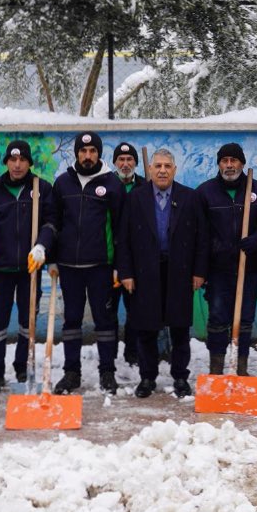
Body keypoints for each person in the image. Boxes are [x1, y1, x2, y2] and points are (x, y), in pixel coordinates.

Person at [116, 148, 208, 398]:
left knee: (179, 328)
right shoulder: (136, 198)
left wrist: (199, 271)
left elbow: (201, 238)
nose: (163, 170)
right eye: (158, 166)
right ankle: (147, 377)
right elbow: (122, 239)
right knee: (146, 328)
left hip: (180, 271)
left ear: (175, 169)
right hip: (145, 272)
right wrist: (126, 272)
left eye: (167, 166)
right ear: (150, 169)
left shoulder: (189, 197)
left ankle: (180, 376)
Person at [0, 140, 57, 395]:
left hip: (30, 270)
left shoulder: (41, 189)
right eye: (13, 160)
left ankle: (23, 366)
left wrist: (42, 246)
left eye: (23, 160)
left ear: (30, 163)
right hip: (0, 271)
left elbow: (52, 223)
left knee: (27, 321)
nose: (18, 164)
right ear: (6, 162)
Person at [49, 132, 124, 395]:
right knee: (71, 320)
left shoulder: (112, 184)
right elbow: (54, 224)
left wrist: (119, 265)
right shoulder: (62, 184)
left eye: (93, 151)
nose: (88, 156)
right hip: (69, 267)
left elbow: (120, 229)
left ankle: (107, 372)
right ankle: (71, 373)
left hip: (101, 266)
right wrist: (51, 260)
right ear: (77, 154)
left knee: (105, 320)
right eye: (83, 151)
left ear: (99, 153)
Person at [196, 143, 257, 376]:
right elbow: (200, 232)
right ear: (218, 164)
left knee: (245, 319)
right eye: (224, 160)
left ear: (242, 163)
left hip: (249, 267)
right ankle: (216, 369)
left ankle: (241, 368)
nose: (229, 165)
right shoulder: (206, 192)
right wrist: (219, 248)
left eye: (233, 160)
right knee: (217, 318)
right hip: (218, 269)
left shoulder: (256, 189)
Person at [111, 141, 146, 366]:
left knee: (136, 310)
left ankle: (133, 352)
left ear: (135, 162)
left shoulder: (146, 186)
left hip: (138, 260)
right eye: (121, 160)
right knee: (109, 311)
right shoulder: (105, 185)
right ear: (115, 163)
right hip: (109, 259)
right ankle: (110, 353)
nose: (125, 164)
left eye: (129, 160)